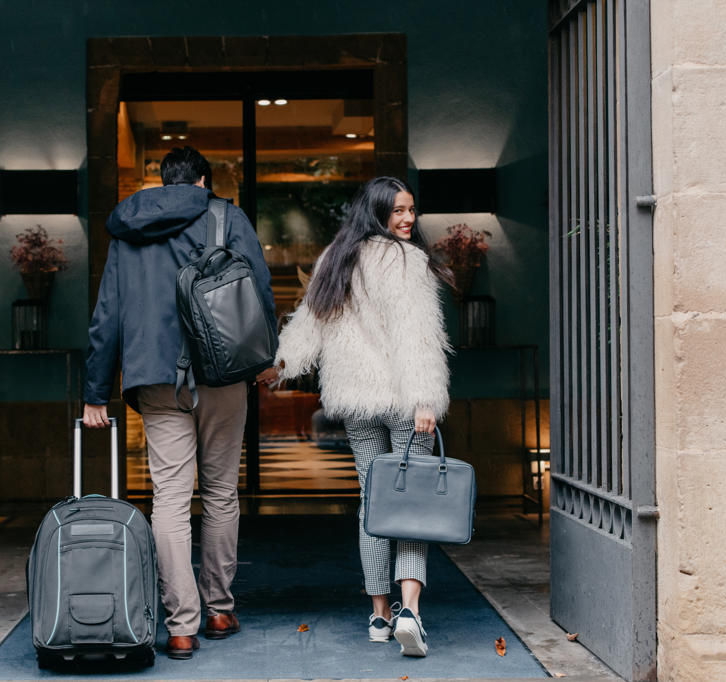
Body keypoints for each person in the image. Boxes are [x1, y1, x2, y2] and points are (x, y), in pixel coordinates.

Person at [82, 146, 278, 660]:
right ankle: (217, 608)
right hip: (221, 374)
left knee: (169, 497)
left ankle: (181, 625)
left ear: (161, 181)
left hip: (154, 377)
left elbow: (107, 314)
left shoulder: (128, 227)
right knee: (219, 492)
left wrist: (94, 393)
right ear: (204, 180)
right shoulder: (226, 215)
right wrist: (266, 358)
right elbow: (258, 290)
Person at [266, 176, 452, 658]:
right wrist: (426, 398)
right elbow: (418, 336)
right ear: (377, 214)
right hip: (406, 401)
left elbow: (308, 324)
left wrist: (281, 367)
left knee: (373, 505)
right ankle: (409, 610)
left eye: (411, 209)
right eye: (398, 212)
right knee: (410, 503)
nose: (408, 220)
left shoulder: (336, 257)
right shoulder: (405, 260)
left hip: (355, 399)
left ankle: (380, 615)